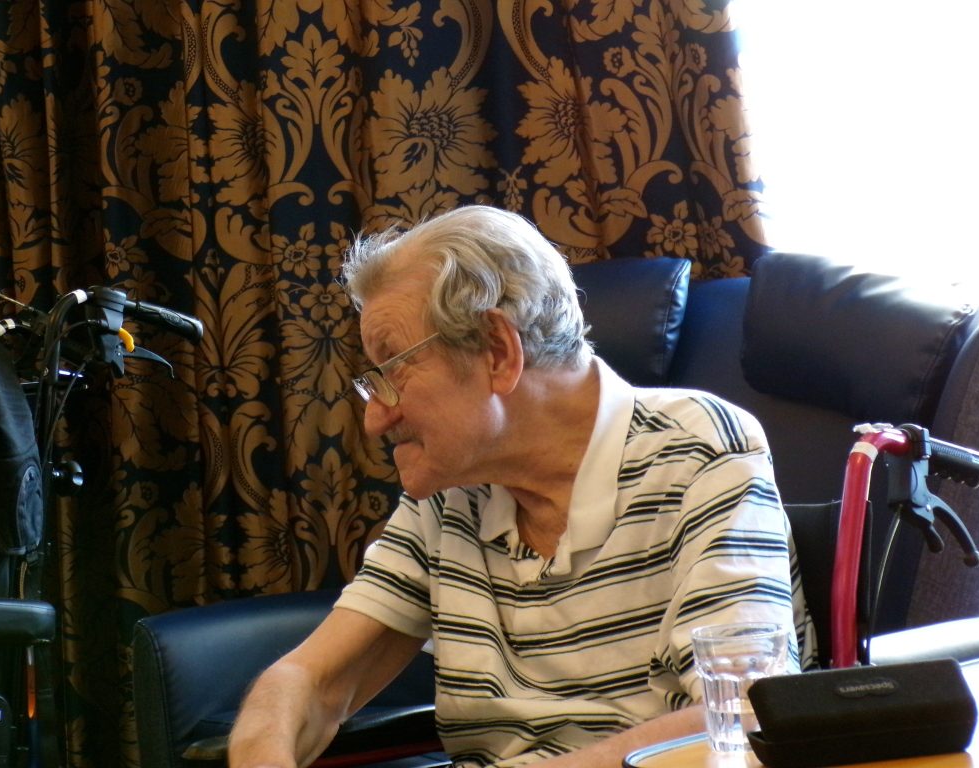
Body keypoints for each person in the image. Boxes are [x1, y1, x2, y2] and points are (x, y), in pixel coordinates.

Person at [229, 205, 815, 768]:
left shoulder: (697, 447)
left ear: (497, 351)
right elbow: (310, 680)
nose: (375, 417)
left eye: (393, 369)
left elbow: (742, 713)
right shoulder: (449, 496)